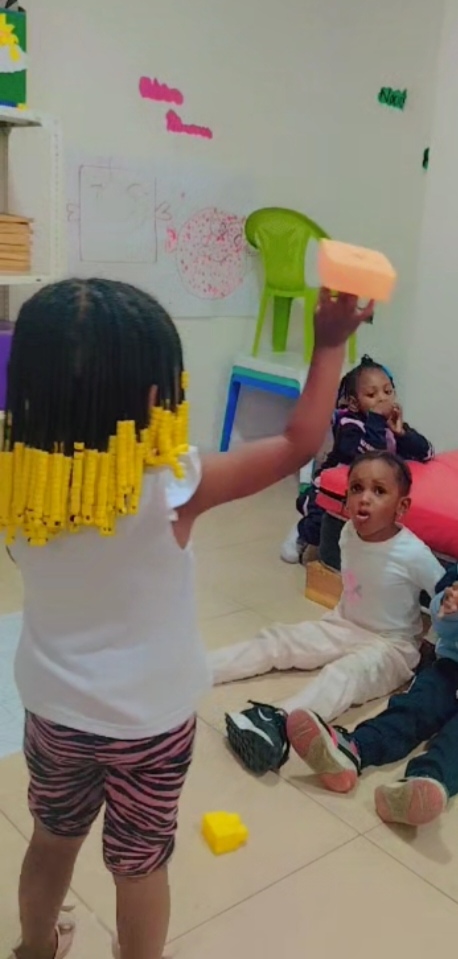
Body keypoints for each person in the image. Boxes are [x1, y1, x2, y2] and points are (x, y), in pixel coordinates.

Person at [0, 279, 371, 959]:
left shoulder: (17, 484)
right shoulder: (173, 484)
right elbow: (298, 442)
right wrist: (329, 344)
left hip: (54, 712)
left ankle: (34, 948)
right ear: (153, 399)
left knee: (51, 840)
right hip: (149, 721)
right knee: (139, 864)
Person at [210, 452, 444, 776]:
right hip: (342, 624)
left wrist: (438, 649)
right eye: (356, 488)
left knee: (342, 676)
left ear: (401, 507)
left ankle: (277, 724)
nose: (364, 499)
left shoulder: (413, 553)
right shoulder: (347, 533)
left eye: (378, 491)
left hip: (391, 646)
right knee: (279, 640)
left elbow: (445, 596)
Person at [287, 568, 458, 827]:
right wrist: (448, 609)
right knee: (414, 707)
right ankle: (353, 749)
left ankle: (425, 784)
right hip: (450, 667)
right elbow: (441, 615)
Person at [281, 354, 433, 564]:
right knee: (319, 526)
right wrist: (376, 419)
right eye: (372, 394)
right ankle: (302, 530)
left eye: (388, 391)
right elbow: (370, 458)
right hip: (333, 488)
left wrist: (403, 434)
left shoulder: (392, 425)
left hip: (371, 491)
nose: (382, 399)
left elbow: (427, 452)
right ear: (354, 403)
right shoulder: (349, 425)